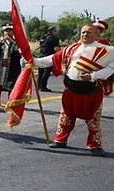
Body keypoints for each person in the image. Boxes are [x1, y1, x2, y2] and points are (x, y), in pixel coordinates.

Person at [32, 23, 114, 155]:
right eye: (83, 32)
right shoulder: (71, 49)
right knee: (66, 116)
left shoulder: (106, 50)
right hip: (71, 89)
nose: (85, 35)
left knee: (93, 119)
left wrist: (93, 76)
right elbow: (52, 59)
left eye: (89, 32)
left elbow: (111, 69)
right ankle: (60, 140)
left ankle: (95, 145)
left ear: (96, 34)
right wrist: (34, 61)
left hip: (91, 91)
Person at [0, 25, 23, 106]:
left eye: (9, 31)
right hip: (0, 66)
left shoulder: (16, 42)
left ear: (13, 32)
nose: (7, 33)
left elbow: (20, 52)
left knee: (11, 82)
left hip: (11, 67)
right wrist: (0, 42)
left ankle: (11, 100)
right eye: (6, 31)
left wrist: (12, 42)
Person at [37, 26, 60, 92]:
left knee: (40, 72)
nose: (56, 32)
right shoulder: (53, 39)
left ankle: (38, 85)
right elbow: (56, 49)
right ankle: (43, 86)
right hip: (48, 57)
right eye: (56, 31)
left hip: (41, 56)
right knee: (46, 72)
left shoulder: (43, 38)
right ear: (52, 31)